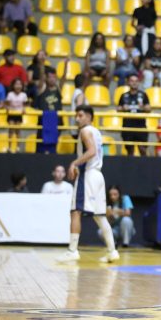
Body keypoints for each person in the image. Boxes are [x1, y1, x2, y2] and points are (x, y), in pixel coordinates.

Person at [57, 105, 119, 263]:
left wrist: (74, 163)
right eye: (76, 116)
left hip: (89, 175)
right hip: (98, 175)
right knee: (99, 215)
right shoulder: (96, 132)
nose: (77, 119)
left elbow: (91, 151)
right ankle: (112, 251)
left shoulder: (85, 131)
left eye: (80, 115)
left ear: (90, 117)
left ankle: (72, 251)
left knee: (75, 211)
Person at [118, 74, 151, 157]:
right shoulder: (123, 95)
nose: (134, 83)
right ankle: (130, 165)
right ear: (128, 82)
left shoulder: (143, 95)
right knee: (130, 151)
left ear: (138, 82)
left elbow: (149, 109)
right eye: (132, 81)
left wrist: (143, 107)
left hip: (140, 125)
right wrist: (122, 108)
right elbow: (118, 109)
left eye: (136, 81)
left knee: (143, 150)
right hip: (128, 125)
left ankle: (144, 164)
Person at [5, 78, 28, 153]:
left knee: (18, 131)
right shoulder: (10, 94)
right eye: (16, 84)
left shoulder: (24, 95)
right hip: (11, 114)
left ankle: (18, 147)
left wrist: (24, 109)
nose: (18, 86)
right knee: (11, 130)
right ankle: (9, 147)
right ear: (13, 86)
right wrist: (8, 108)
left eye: (20, 84)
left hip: (19, 114)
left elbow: (25, 105)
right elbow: (7, 104)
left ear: (22, 86)